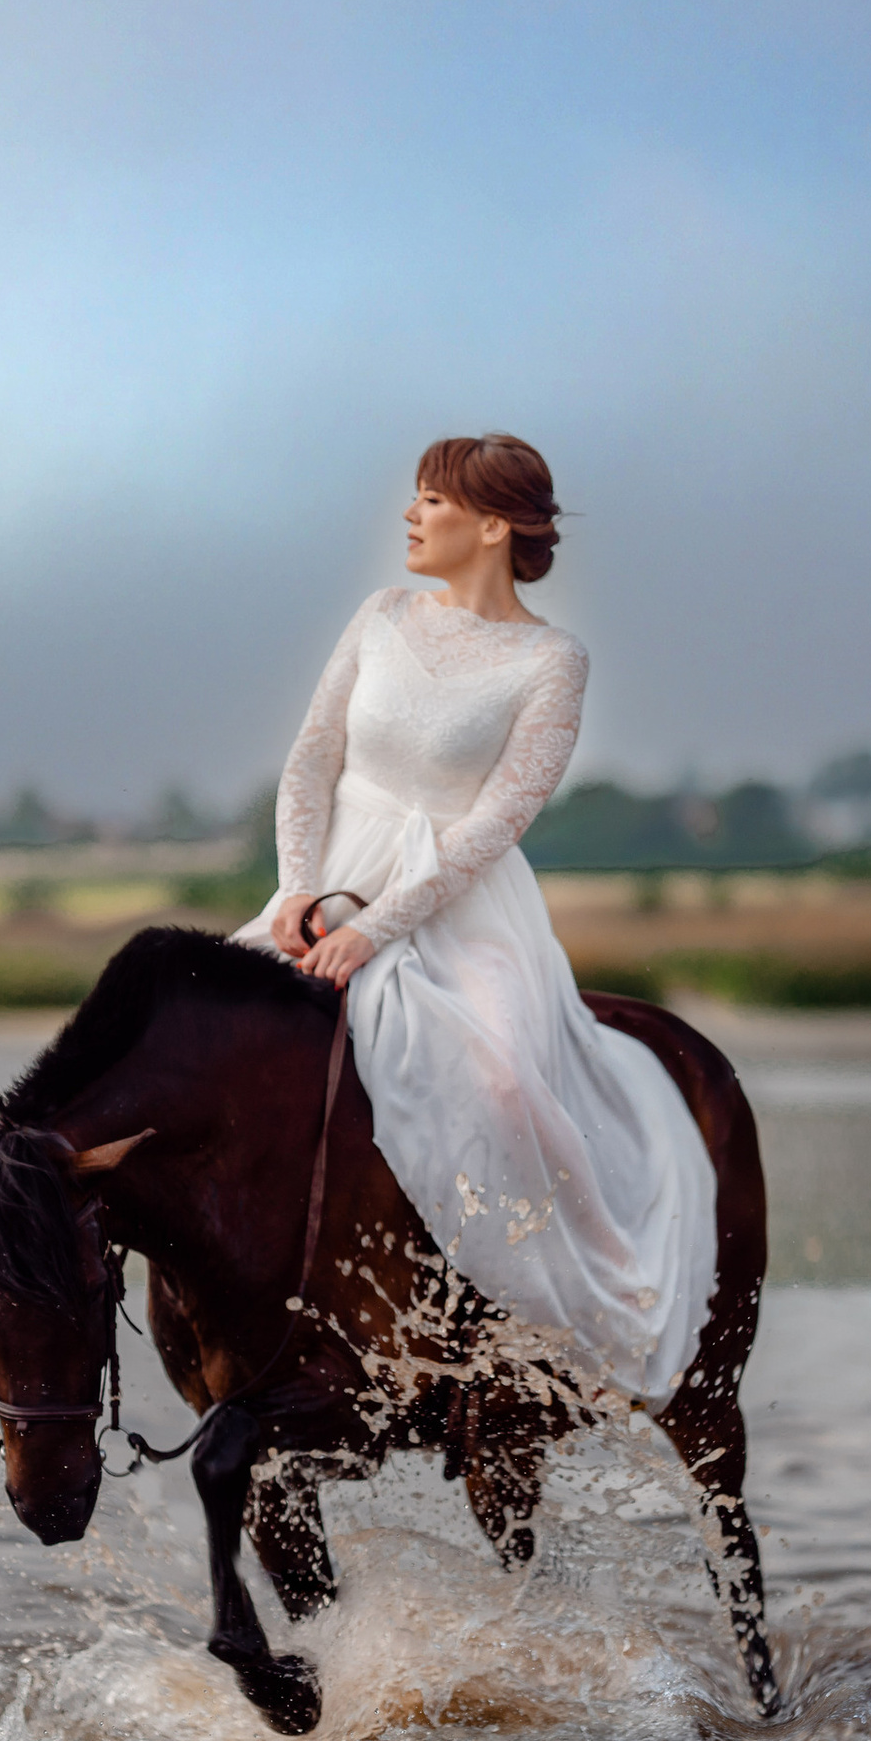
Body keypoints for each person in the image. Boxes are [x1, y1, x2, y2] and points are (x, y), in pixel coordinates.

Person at [238, 433, 718, 1405]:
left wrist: (377, 931)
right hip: (324, 886)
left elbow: (498, 821)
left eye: (432, 501)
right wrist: (297, 892)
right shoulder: (378, 616)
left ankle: (535, 1325)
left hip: (461, 907)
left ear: (493, 525)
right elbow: (311, 762)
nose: (410, 516)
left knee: (501, 1084)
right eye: (414, 499)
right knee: (205, 1046)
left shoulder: (552, 660)